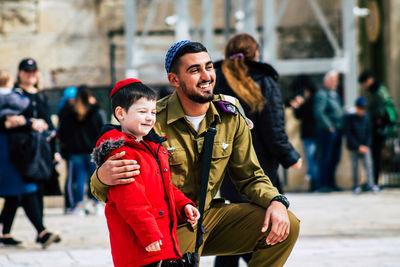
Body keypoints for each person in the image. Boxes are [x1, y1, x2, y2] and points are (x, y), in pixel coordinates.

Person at [91, 40, 300, 267]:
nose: (206, 76)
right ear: (174, 80)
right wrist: (101, 178)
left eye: (209, 67)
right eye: (194, 70)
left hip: (207, 217)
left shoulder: (230, 117)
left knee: (285, 224)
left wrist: (276, 200)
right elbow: (119, 190)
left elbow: (250, 176)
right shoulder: (151, 121)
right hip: (165, 226)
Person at [213, 33, 302, 266]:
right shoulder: (263, 80)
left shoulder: (216, 79)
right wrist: (289, 155)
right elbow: (274, 127)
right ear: (256, 53)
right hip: (259, 166)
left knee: (234, 221)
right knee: (266, 224)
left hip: (227, 164)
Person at [91, 78, 200, 267]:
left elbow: (165, 186)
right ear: (121, 113)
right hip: (138, 244)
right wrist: (148, 233)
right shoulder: (121, 153)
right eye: (142, 112)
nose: (150, 117)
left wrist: (183, 205)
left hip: (160, 241)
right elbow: (130, 199)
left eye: (153, 112)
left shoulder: (152, 147)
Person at [0, 66, 60, 248]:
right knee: (26, 189)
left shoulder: (35, 96)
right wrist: (29, 122)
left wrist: (53, 149)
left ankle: (6, 233)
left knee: (16, 195)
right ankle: (42, 232)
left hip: (24, 150)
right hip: (12, 152)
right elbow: (8, 121)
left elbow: (46, 124)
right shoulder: (12, 97)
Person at [58, 85, 106, 215]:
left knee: (78, 179)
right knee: (95, 178)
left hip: (75, 151)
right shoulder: (95, 111)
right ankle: (97, 203)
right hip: (92, 150)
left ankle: (78, 205)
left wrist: (65, 147)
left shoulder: (68, 111)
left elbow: (63, 132)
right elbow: (101, 129)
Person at [358, 70, 397, 185]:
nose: (364, 86)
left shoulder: (378, 92)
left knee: (376, 155)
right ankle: (373, 180)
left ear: (369, 80)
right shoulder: (379, 90)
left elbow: (379, 112)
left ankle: (374, 181)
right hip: (379, 128)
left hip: (379, 129)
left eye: (364, 83)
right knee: (376, 155)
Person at [314, 70, 344, 192]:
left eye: (336, 80)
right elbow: (319, 112)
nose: (334, 82)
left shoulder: (334, 94)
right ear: (326, 81)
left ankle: (331, 183)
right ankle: (323, 184)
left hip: (337, 130)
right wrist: (329, 126)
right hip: (328, 131)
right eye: (332, 80)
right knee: (326, 157)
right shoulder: (322, 94)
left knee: (335, 158)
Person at [343, 97, 380, 194]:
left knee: (368, 165)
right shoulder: (349, 118)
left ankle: (371, 185)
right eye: (360, 108)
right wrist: (358, 146)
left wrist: (366, 145)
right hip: (354, 147)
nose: (362, 110)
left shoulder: (366, 117)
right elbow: (349, 134)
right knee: (355, 167)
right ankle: (356, 186)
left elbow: (369, 133)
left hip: (365, 146)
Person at [290, 75, 318, 192]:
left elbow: (299, 115)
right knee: (314, 160)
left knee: (311, 161)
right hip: (315, 134)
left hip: (308, 134)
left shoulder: (309, 102)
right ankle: (315, 183)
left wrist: (297, 106)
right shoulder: (316, 100)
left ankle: (315, 184)